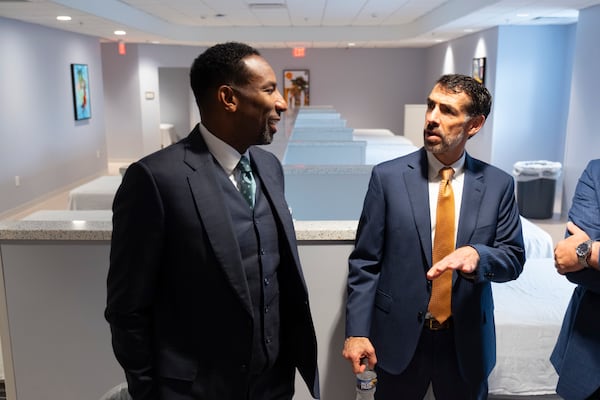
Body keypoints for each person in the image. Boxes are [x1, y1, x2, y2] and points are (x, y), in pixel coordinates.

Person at [105, 42, 320, 400]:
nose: (282, 102)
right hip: (197, 390)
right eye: (268, 90)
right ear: (228, 98)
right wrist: (148, 392)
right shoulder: (155, 180)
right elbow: (127, 309)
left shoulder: (269, 168)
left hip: (274, 385)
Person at [342, 74, 525, 400]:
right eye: (432, 106)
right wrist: (356, 332)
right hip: (397, 340)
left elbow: (513, 258)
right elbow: (365, 263)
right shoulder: (387, 178)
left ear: (474, 124)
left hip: (466, 343)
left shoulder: (499, 185)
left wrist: (479, 256)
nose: (432, 118)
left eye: (448, 111)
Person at [552, 159, 600, 400]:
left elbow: (581, 254)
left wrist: (592, 252)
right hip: (592, 360)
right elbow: (571, 264)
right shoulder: (596, 172)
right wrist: (587, 257)